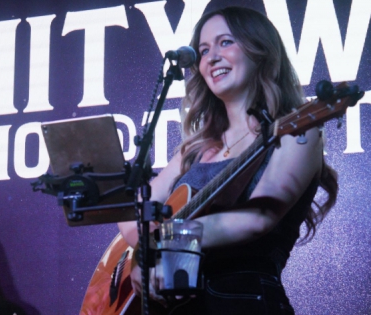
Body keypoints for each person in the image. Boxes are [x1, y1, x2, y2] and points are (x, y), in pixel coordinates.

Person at [117, 6, 338, 314]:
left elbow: (257, 218)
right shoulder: (195, 149)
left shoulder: (298, 131)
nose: (211, 57)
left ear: (260, 49)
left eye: (225, 42)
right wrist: (147, 254)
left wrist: (163, 243)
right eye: (203, 50)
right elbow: (130, 211)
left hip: (242, 302)